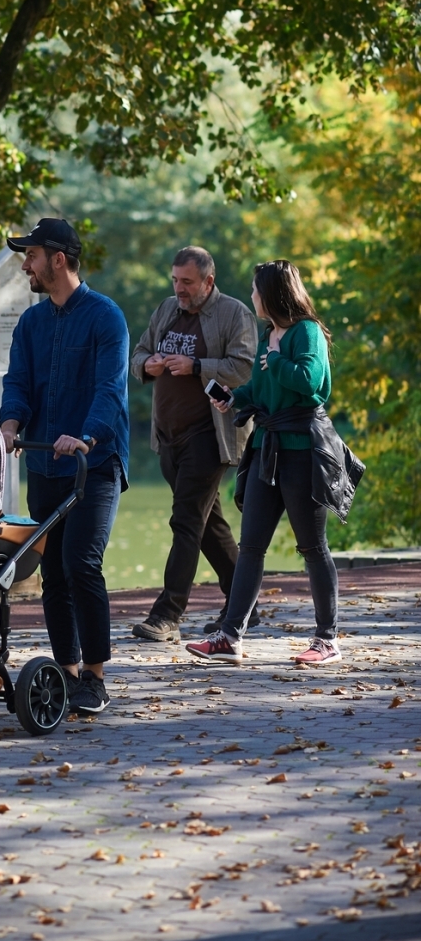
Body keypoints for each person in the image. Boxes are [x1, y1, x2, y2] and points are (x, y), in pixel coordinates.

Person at [185, 259, 363, 667]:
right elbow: (261, 388)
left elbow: (311, 381)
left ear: (272, 293)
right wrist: (235, 398)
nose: (251, 297)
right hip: (268, 449)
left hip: (304, 451)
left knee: (313, 547)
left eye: (254, 290)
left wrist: (278, 359)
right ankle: (230, 637)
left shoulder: (307, 332)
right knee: (250, 547)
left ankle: (327, 639)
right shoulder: (271, 334)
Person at [0, 218, 129, 717]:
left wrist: (87, 435)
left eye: (29, 255)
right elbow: (19, 382)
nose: (24, 264)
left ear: (57, 258)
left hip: (94, 463)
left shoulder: (105, 317)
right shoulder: (31, 323)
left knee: (81, 563)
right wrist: (10, 424)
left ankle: (95, 677)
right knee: (52, 573)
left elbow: (110, 391)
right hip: (45, 467)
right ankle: (68, 673)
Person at [130, 247, 258, 642]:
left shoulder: (234, 314)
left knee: (185, 520)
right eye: (174, 280)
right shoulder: (167, 309)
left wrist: (197, 365)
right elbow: (138, 354)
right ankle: (244, 605)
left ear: (208, 281)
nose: (179, 289)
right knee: (208, 526)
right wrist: (148, 365)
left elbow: (244, 368)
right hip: (168, 437)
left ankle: (167, 614)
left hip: (209, 434)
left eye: (186, 282)